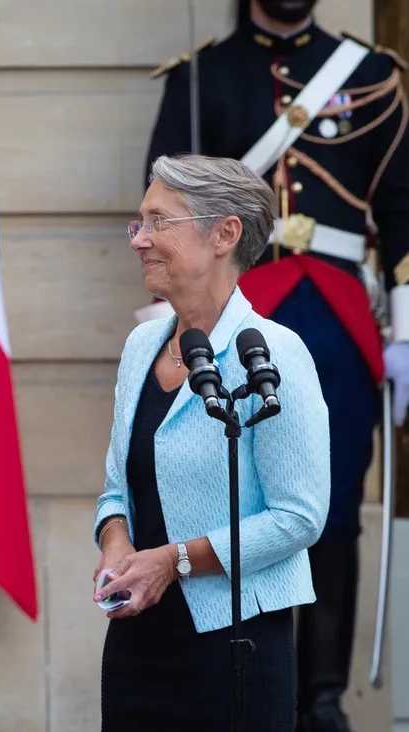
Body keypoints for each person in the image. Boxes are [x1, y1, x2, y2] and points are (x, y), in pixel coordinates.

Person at [141, 2, 409, 728]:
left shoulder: (375, 77)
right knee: (227, 503)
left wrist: (406, 331)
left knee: (333, 515)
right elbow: (161, 222)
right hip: (232, 310)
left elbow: (403, 211)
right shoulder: (201, 79)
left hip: (337, 323)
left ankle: (320, 700)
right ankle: (245, 687)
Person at [93, 154, 331, 731]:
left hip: (235, 648)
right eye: (139, 223)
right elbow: (115, 490)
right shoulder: (140, 346)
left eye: (158, 222)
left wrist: (172, 563)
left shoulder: (274, 352)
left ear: (225, 233)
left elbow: (299, 517)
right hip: (137, 644)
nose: (139, 240)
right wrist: (115, 544)